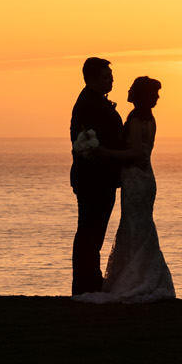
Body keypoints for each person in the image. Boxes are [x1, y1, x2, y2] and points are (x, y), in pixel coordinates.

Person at [73, 74, 176, 303]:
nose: (126, 89)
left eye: (131, 88)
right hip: (143, 178)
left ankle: (137, 278)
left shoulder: (138, 120)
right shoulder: (148, 119)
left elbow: (137, 153)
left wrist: (104, 153)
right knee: (138, 226)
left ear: (137, 94)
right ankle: (138, 274)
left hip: (136, 178)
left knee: (136, 226)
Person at [68, 56, 125, 296]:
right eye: (106, 76)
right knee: (89, 233)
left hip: (101, 178)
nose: (111, 80)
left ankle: (90, 282)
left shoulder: (95, 101)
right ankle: (86, 284)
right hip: (94, 179)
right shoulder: (88, 104)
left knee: (93, 233)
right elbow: (89, 142)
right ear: (92, 79)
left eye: (111, 76)